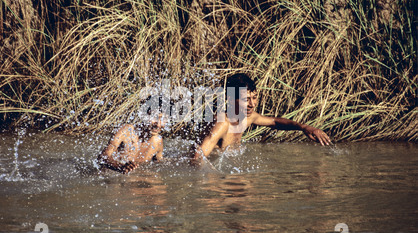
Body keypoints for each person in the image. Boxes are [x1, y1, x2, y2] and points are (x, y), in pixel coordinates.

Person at [191, 73, 332, 162]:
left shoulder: (248, 117)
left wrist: (304, 128)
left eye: (254, 97)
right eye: (246, 99)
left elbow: (275, 121)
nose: (252, 104)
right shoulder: (222, 124)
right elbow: (197, 158)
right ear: (231, 99)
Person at [97, 113, 165, 174]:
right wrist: (120, 166)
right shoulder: (127, 131)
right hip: (110, 181)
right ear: (144, 116)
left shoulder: (157, 141)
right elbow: (103, 157)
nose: (158, 124)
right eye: (155, 117)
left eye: (163, 119)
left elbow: (160, 162)